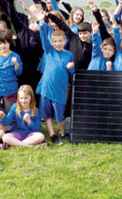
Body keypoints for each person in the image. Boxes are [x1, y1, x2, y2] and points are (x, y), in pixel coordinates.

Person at [36, 12, 74, 145]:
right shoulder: (49, 51)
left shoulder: (68, 55)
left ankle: (63, 132)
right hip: (47, 87)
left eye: (60, 41)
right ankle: (52, 134)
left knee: (60, 115)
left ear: (65, 41)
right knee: (46, 112)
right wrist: (41, 23)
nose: (58, 44)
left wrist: (70, 67)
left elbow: (72, 72)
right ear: (51, 42)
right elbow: (43, 39)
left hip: (59, 89)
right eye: (55, 42)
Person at [0, 30, 23, 113]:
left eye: (5, 43)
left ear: (9, 43)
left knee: (10, 110)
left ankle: (11, 125)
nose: (3, 46)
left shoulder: (15, 56)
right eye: (0, 43)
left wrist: (16, 65)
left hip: (10, 89)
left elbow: (19, 73)